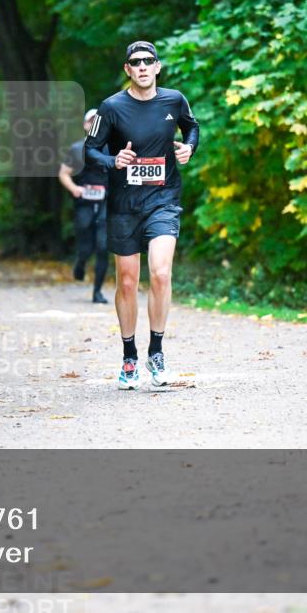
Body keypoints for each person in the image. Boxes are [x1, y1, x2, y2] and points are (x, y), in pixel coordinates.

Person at [83, 40, 199, 390]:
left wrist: (189, 147)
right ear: (128, 70)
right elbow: (91, 150)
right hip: (124, 205)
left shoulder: (174, 100)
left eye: (149, 61)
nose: (143, 66)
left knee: (161, 273)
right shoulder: (111, 107)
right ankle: (129, 356)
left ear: (158, 66)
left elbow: (192, 127)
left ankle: (158, 353)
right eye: (136, 62)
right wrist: (112, 161)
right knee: (129, 281)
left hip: (163, 200)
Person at [58, 109, 109, 304]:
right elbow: (63, 173)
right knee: (86, 246)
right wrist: (74, 189)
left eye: (98, 122)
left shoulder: (113, 147)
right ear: (85, 125)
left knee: (103, 246)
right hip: (84, 203)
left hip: (107, 201)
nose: (94, 125)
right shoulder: (76, 148)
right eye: (91, 121)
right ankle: (80, 262)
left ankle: (97, 292)